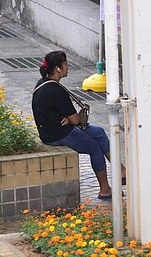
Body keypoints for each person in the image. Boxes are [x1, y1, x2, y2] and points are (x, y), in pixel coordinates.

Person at [31, 51, 125, 200]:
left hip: (53, 129)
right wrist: (70, 120)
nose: (68, 67)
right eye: (66, 65)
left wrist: (69, 120)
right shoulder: (55, 90)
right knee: (94, 149)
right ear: (58, 69)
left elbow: (66, 116)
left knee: (99, 132)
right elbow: (76, 120)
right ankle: (105, 190)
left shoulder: (43, 82)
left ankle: (121, 171)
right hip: (58, 134)